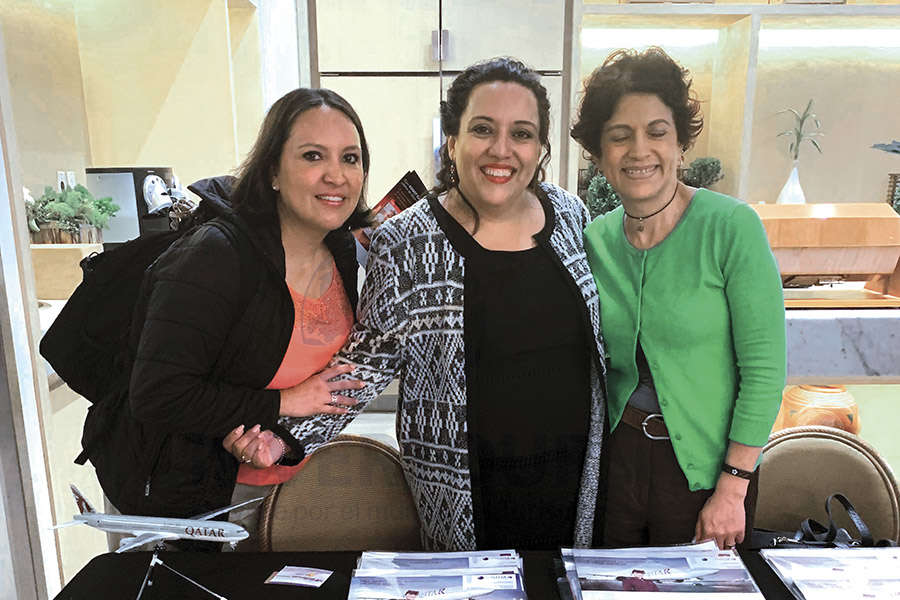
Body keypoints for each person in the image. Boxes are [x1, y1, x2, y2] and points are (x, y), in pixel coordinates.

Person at [278, 57, 608, 551]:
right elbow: (365, 364)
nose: (502, 149)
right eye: (482, 129)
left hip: (574, 481)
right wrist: (285, 434)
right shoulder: (407, 240)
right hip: (463, 492)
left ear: (540, 148)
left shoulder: (570, 216)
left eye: (522, 133)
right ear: (452, 140)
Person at [121, 88, 370, 546]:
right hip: (190, 503)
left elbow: (330, 386)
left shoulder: (342, 251)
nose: (336, 175)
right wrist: (281, 403)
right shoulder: (216, 255)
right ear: (273, 169)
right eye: (313, 156)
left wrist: (282, 437)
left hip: (287, 492)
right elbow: (157, 394)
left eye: (350, 158)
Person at [570, 47, 786, 550]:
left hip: (708, 475)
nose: (639, 150)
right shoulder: (595, 238)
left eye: (657, 132)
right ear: (600, 155)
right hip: (617, 469)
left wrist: (733, 487)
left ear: (681, 143)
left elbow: (765, 370)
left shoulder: (731, 227)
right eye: (619, 137)